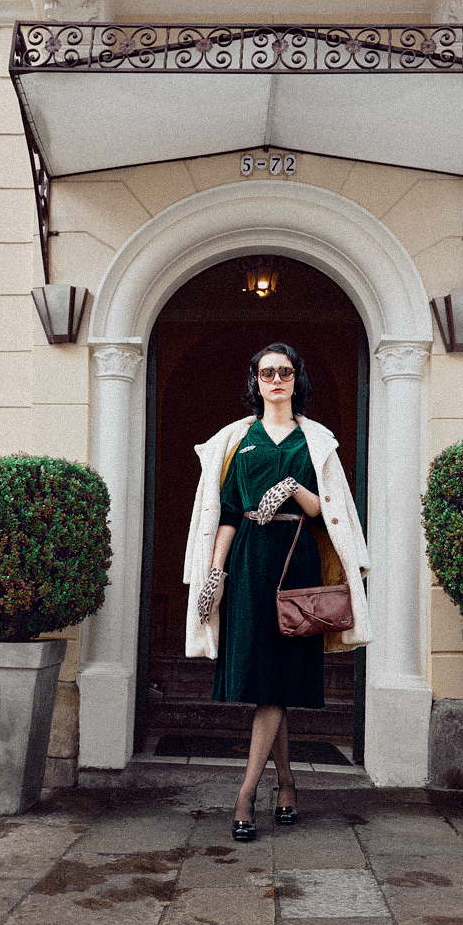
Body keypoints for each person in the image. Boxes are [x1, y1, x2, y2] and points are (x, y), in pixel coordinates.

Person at [184, 343, 372, 841]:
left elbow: (322, 508)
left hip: (295, 560)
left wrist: (291, 486)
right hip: (247, 561)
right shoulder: (237, 439)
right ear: (256, 380)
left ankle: (246, 793)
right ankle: (286, 783)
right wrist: (216, 573)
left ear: (295, 379)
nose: (276, 379)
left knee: (277, 680)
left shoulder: (314, 440)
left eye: (284, 371)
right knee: (268, 681)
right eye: (267, 372)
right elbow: (226, 512)